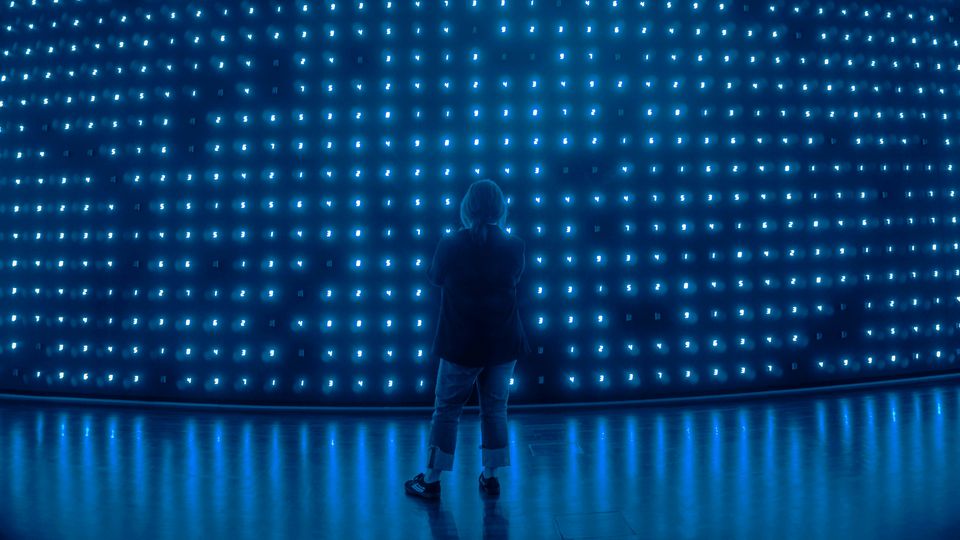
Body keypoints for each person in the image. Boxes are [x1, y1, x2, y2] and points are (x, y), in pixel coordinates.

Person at [405, 178, 531, 500]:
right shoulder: (514, 245)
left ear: (467, 207)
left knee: (447, 409)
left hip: (461, 343)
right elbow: (513, 278)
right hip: (503, 342)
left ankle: (431, 480)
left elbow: (434, 277)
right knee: (495, 408)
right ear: (500, 208)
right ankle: (491, 477)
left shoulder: (451, 244)